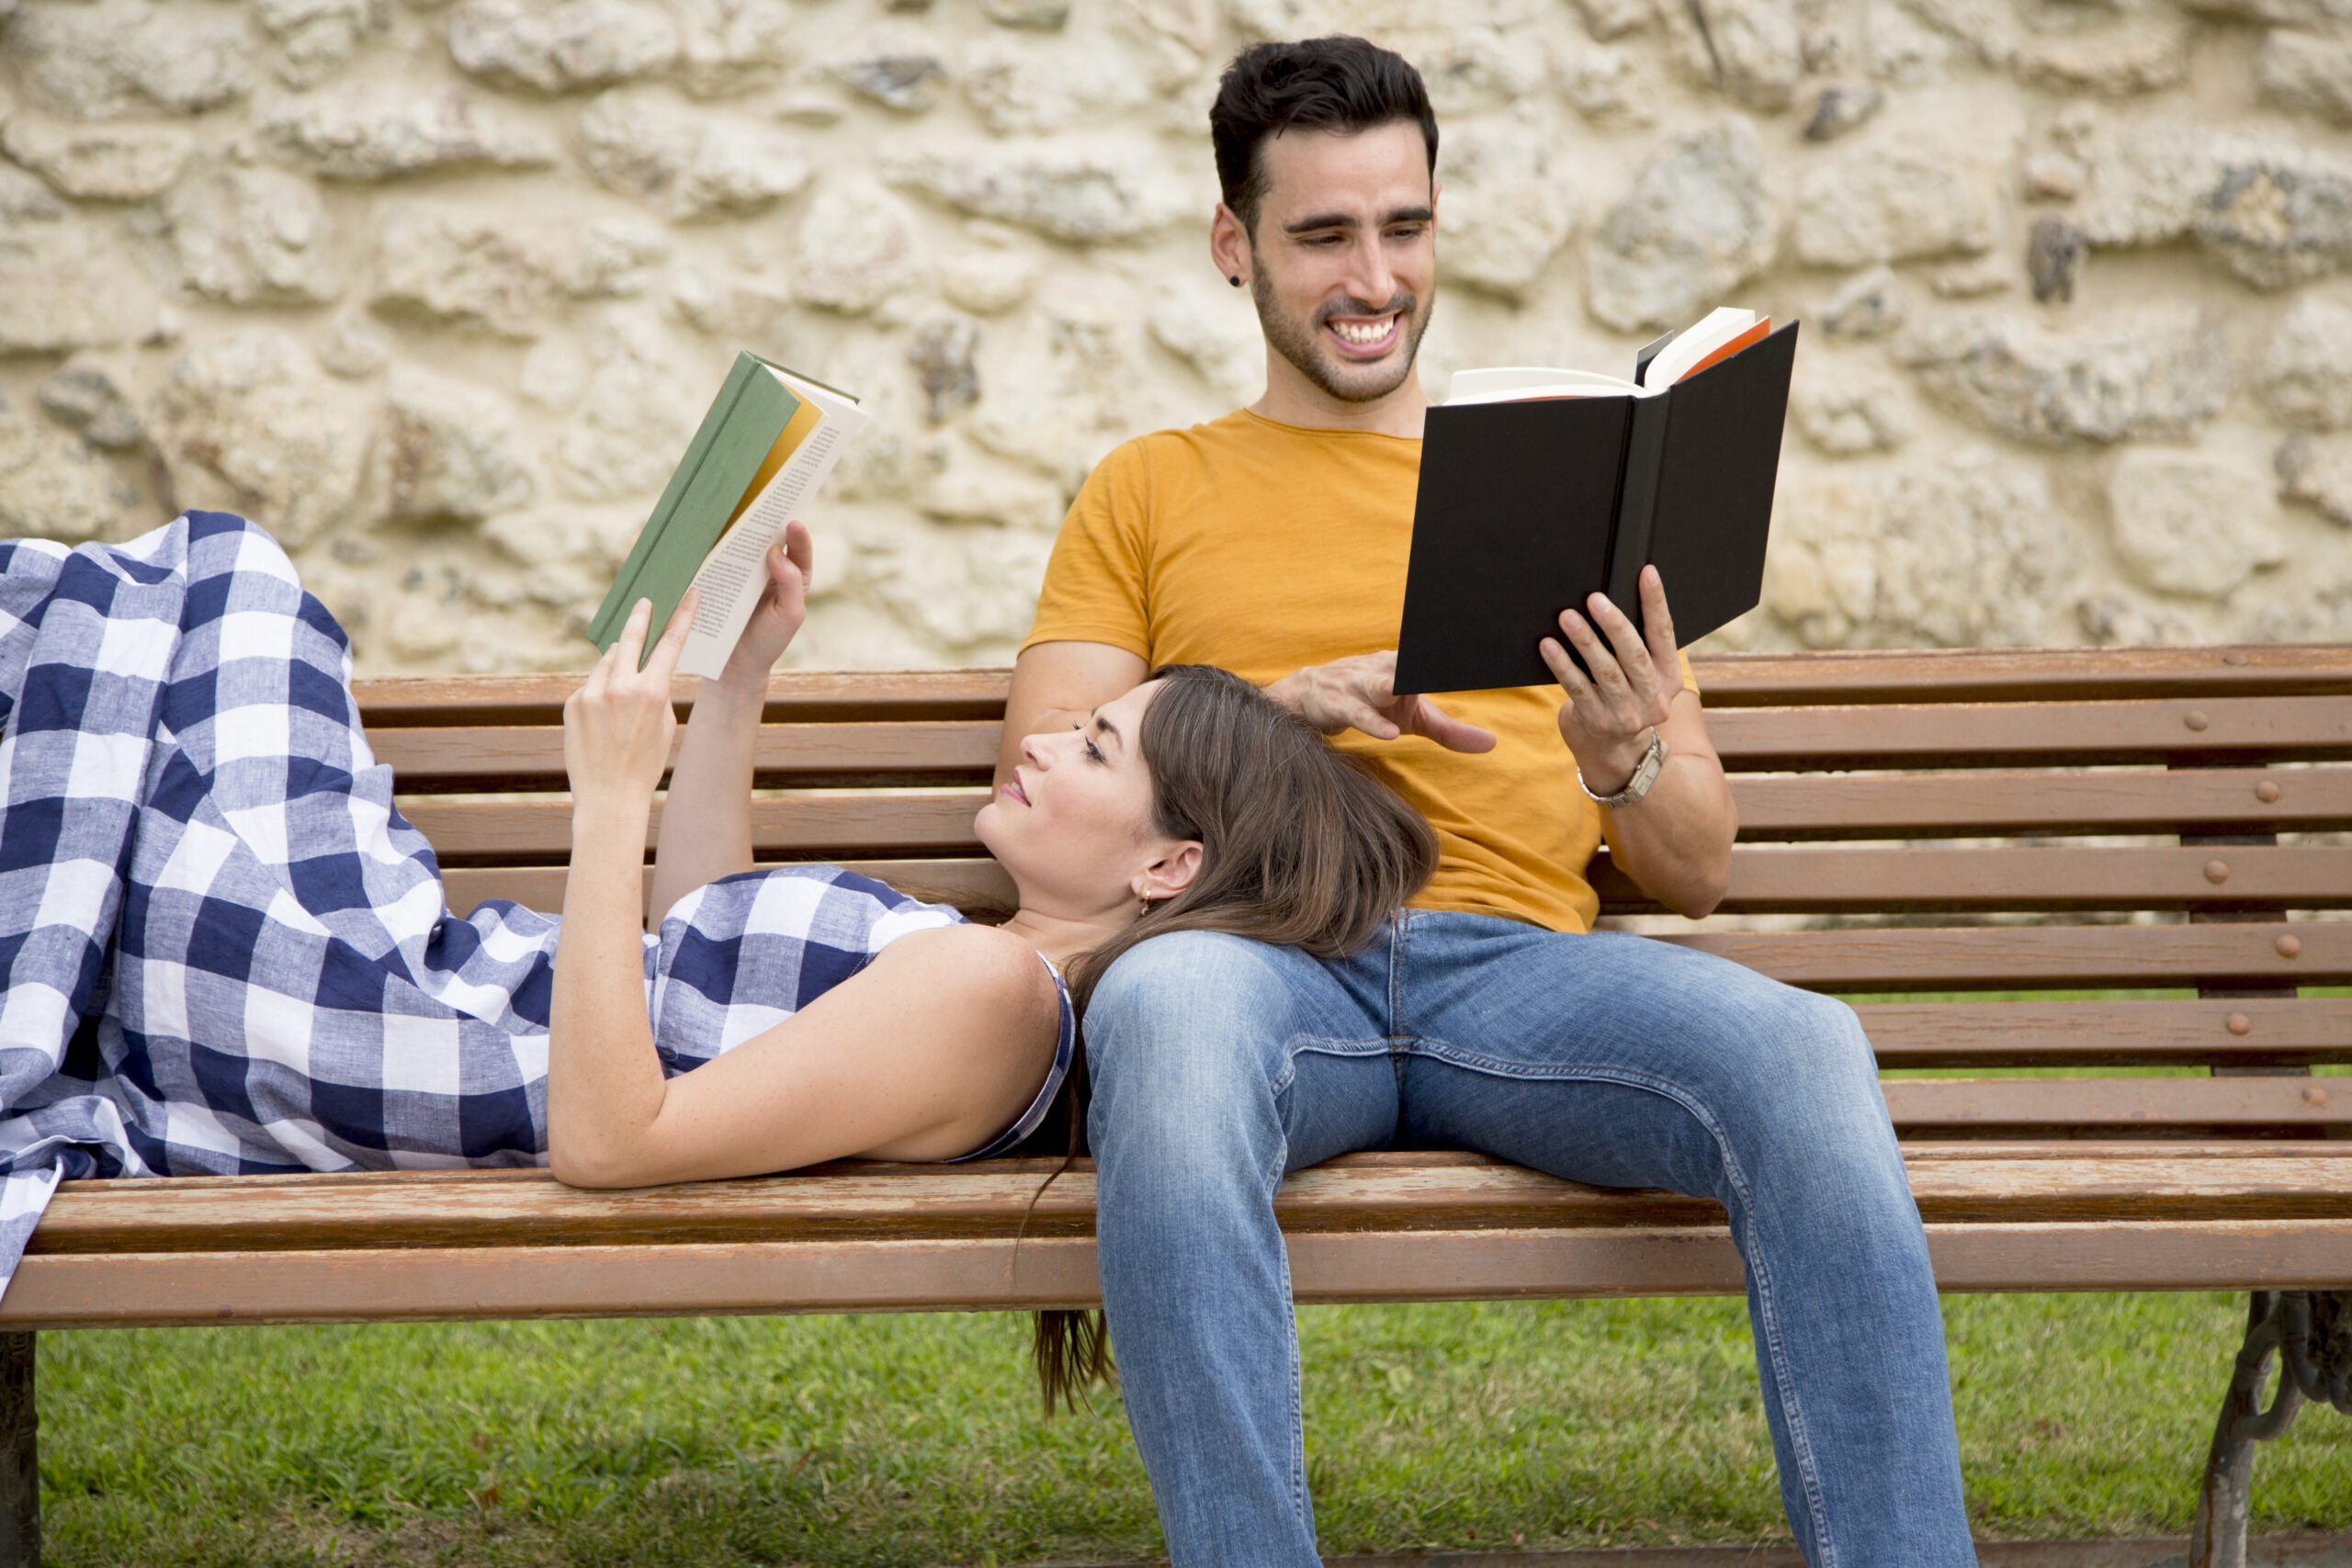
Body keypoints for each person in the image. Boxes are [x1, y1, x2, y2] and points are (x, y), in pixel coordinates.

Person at [998, 34, 1977, 1568]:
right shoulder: (1151, 487)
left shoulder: (1567, 485)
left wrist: (1623, 760)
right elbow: (1049, 765)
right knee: (1166, 1020)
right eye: (1323, 235)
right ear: (1233, 246)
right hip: (1261, 960)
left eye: (1405, 226)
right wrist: (1275, 705)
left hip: (1520, 977)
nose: (1371, 276)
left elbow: (1699, 864)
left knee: (1806, 1051)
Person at [0, 508, 1433, 1342]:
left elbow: (614, 1143)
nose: (1050, 742)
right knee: (168, 615)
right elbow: (701, 936)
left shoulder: (995, 998)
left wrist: (609, 795)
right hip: (409, 987)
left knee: (219, 577)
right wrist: (741, 679)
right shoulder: (985, 963)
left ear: (1170, 868)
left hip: (396, 1026)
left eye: (1100, 749)